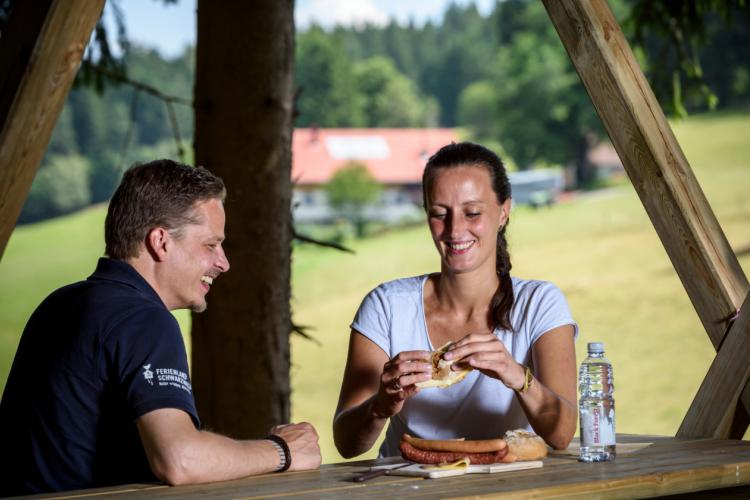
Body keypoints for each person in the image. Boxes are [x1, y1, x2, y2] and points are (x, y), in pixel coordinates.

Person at [0, 160, 321, 495]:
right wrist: (282, 451)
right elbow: (179, 460)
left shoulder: (58, 304)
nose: (223, 263)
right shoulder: (145, 319)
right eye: (210, 245)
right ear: (161, 242)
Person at [333, 142, 577, 459]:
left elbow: (563, 434)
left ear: (504, 211)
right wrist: (380, 406)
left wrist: (516, 374)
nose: (455, 230)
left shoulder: (540, 303)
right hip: (408, 489)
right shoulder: (386, 306)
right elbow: (347, 443)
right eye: (439, 214)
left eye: (472, 213)